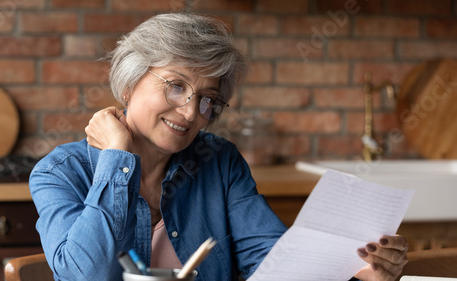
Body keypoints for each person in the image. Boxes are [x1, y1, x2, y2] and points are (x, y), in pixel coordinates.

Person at [29, 12, 408, 281]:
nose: (192, 111)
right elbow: (87, 275)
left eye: (208, 99)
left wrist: (355, 272)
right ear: (129, 84)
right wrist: (117, 158)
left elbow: (272, 264)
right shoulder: (59, 172)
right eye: (175, 85)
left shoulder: (219, 160)